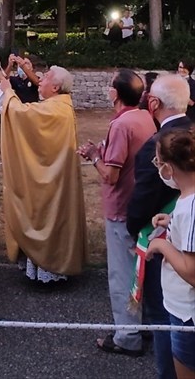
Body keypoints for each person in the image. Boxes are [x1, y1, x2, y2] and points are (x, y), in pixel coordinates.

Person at [78, 68, 156, 356]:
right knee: (139, 271)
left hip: (120, 208)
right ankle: (144, 326)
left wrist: (94, 157)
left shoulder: (121, 125)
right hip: (139, 207)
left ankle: (127, 335)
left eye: (111, 85)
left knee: (121, 276)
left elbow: (110, 175)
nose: (108, 89)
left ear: (116, 93)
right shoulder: (145, 117)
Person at [127, 73, 192, 379]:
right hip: (174, 226)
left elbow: (143, 199)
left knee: (166, 323)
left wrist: (142, 234)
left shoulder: (157, 144)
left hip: (175, 275)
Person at [0, 66, 88, 283]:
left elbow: (23, 115)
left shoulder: (56, 109)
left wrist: (8, 92)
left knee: (46, 216)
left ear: (56, 87)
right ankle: (40, 268)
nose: (41, 78)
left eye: (46, 77)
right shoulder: (58, 105)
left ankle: (50, 271)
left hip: (51, 181)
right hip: (51, 175)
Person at [146, 129, 195, 379]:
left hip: (188, 314)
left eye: (158, 162)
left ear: (168, 169)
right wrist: (172, 222)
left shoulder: (190, 207)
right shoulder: (186, 203)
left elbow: (192, 272)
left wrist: (161, 246)